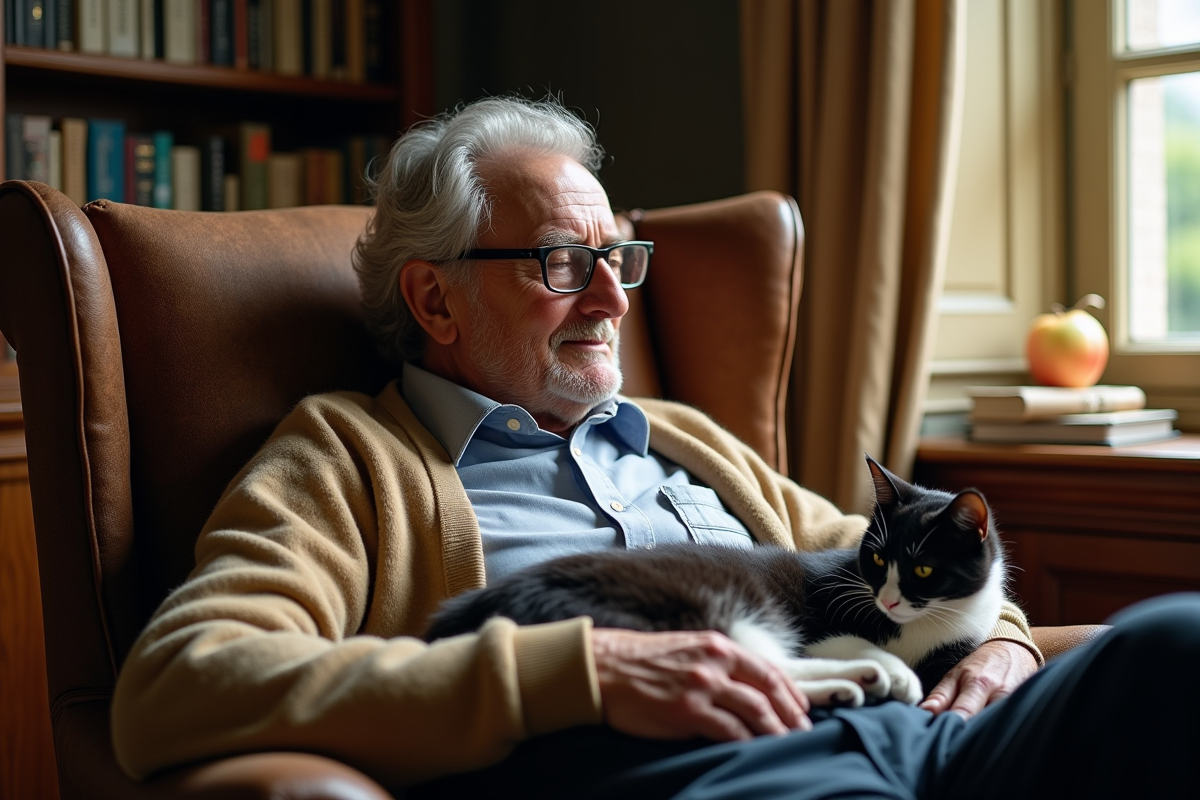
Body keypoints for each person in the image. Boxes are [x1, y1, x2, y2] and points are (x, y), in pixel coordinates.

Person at [111, 96, 1199, 799]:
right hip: (711, 775)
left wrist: (1003, 639)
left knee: (1173, 644)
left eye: (618, 257)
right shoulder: (346, 457)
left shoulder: (684, 439)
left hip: (925, 738)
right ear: (434, 298)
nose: (612, 297)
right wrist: (580, 669)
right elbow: (180, 681)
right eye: (557, 262)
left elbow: (874, 553)